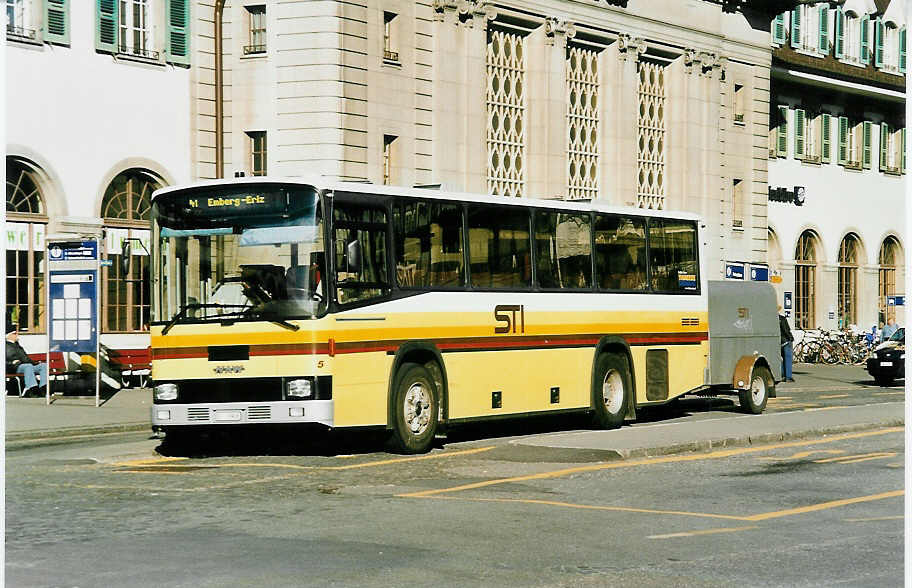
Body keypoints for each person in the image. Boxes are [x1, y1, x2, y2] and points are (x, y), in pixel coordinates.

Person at [5, 323, 48, 397]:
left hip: (24, 365)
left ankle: (43, 387)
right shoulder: (4, 345)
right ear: (9, 336)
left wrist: (35, 363)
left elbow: (25, 358)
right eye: (15, 333)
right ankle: (31, 388)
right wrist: (11, 363)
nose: (17, 335)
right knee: (27, 366)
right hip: (14, 367)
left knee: (43, 366)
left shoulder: (17, 345)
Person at [778, 305, 794, 382]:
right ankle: (788, 377)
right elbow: (786, 330)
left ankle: (782, 375)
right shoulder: (782, 318)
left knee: (780, 359)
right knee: (788, 358)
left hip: (777, 341)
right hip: (785, 341)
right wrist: (790, 338)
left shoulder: (769, 320)